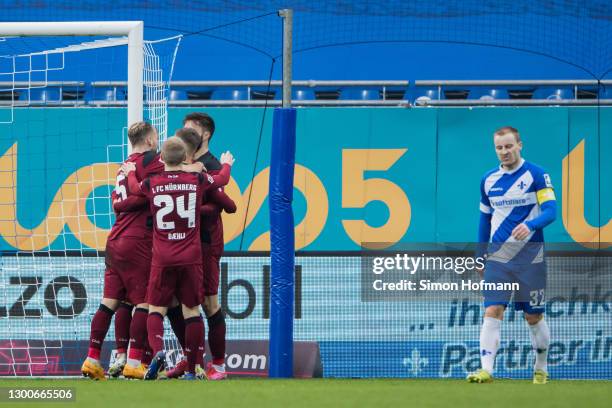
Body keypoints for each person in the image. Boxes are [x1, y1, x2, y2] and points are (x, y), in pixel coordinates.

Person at [122, 137, 235, 380]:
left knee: (156, 309)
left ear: (161, 159)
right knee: (192, 310)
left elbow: (133, 189)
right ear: (185, 158)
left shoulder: (152, 182)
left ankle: (159, 351)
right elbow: (223, 180)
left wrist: (131, 172)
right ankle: (194, 368)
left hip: (162, 256)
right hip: (191, 256)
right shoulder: (197, 179)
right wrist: (226, 164)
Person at [467, 126, 557, 385]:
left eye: (508, 146)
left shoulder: (537, 175)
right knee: (492, 309)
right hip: (498, 258)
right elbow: (484, 221)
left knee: (533, 317)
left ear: (520, 145)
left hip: (531, 257)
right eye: (499, 147)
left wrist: (531, 225)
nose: (504, 152)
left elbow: (551, 211)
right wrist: (479, 255)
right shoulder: (488, 180)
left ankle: (541, 367)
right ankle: (486, 370)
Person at [81, 122, 163, 380]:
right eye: (157, 137)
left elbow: (116, 202)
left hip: (115, 240)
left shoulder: (124, 165)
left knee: (110, 302)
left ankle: (92, 358)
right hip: (137, 240)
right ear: (150, 140)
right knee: (144, 302)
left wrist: (126, 201)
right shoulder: (154, 162)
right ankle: (135, 361)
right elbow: (154, 190)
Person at [183, 112, 229, 380]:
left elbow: (221, 206)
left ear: (205, 134)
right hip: (181, 246)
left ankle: (219, 366)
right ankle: (192, 363)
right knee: (182, 304)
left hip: (205, 243)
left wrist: (191, 208)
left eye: (191, 130)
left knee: (210, 304)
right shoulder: (182, 163)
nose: (185, 134)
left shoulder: (211, 165)